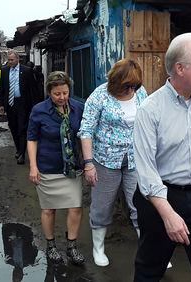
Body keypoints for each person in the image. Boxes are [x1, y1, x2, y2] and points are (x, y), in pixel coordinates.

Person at [133, 32, 191, 281]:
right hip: (160, 199)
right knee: (149, 270)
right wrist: (168, 214)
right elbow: (145, 170)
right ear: (180, 69)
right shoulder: (150, 110)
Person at [78, 59, 148, 267]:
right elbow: (86, 130)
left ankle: (150, 250)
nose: (130, 90)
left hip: (135, 158)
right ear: (115, 82)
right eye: (126, 85)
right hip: (105, 160)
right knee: (102, 205)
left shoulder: (141, 93)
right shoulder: (99, 96)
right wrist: (89, 163)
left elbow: (149, 122)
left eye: (133, 86)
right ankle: (98, 248)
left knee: (140, 204)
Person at [27, 71, 85, 265]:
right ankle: (51, 246)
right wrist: (33, 167)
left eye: (65, 93)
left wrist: (88, 162)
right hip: (48, 167)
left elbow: (84, 135)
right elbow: (32, 139)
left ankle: (72, 246)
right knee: (49, 209)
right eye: (57, 94)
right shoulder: (39, 110)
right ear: (49, 92)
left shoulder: (78, 108)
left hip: (72, 168)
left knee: (75, 207)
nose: (62, 97)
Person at [0, 49, 38, 164]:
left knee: (22, 128)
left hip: (23, 104)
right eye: (8, 60)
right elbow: (2, 88)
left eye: (11, 59)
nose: (9, 62)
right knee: (13, 127)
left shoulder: (27, 71)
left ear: (17, 59)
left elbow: (33, 89)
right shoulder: (4, 71)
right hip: (10, 104)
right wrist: (1, 103)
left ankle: (22, 154)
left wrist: (35, 106)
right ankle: (19, 149)